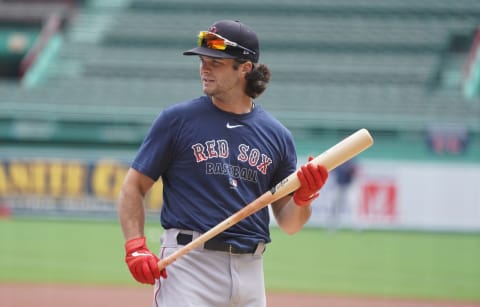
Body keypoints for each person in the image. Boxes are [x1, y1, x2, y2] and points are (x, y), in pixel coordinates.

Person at [118, 19, 329, 307]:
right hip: (189, 266)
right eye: (203, 61)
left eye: (216, 62)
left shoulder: (277, 136)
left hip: (251, 269)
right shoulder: (176, 120)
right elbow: (133, 187)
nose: (204, 68)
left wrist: (304, 199)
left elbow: (290, 223)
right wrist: (135, 246)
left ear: (245, 68)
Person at [328, 158, 357, 231]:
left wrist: (349, 169)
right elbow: (331, 170)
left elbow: (354, 171)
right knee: (335, 207)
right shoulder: (338, 160)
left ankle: (355, 226)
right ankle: (332, 226)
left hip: (348, 187)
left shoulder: (351, 160)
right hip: (338, 186)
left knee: (352, 205)